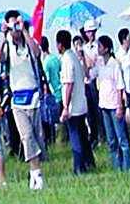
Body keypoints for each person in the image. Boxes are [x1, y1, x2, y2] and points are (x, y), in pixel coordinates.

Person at [0, 11, 44, 190]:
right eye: (12, 26)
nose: (14, 30)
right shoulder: (7, 45)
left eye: (16, 25)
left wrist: (24, 31)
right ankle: (36, 174)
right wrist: (4, 36)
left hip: (34, 97)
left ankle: (35, 172)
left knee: (38, 138)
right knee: (26, 136)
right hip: (17, 100)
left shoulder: (29, 41)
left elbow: (37, 53)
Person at [58, 30, 95, 175]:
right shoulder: (74, 57)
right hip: (81, 104)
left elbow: (69, 84)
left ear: (60, 45)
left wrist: (65, 107)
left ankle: (79, 167)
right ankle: (88, 163)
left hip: (73, 106)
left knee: (75, 139)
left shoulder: (67, 60)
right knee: (83, 136)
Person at [94, 35, 130, 171]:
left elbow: (120, 86)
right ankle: (116, 166)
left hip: (114, 104)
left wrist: (120, 106)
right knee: (111, 140)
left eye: (100, 46)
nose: (98, 49)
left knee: (121, 137)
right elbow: (89, 75)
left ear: (107, 48)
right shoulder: (99, 63)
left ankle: (127, 166)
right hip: (104, 104)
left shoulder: (114, 64)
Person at [80, 19, 103, 148]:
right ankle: (93, 136)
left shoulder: (98, 46)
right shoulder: (84, 47)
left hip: (96, 80)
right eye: (89, 32)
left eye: (92, 31)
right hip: (86, 81)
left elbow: (93, 63)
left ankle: (101, 135)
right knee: (89, 112)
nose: (91, 34)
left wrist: (85, 56)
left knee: (98, 110)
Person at [41, 36, 61, 146]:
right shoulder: (55, 58)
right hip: (60, 91)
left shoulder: (46, 62)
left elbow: (46, 81)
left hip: (52, 94)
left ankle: (56, 142)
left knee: (51, 121)